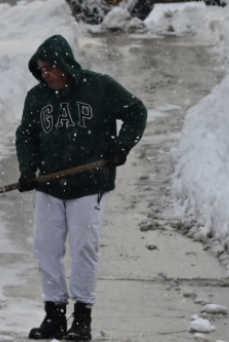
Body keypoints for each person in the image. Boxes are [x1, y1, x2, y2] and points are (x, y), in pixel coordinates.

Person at [15, 34, 147, 341]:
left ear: (65, 65)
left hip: (89, 185)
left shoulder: (99, 87)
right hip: (49, 185)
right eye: (40, 68)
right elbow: (26, 135)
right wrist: (27, 167)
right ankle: (55, 315)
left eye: (49, 67)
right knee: (46, 248)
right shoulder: (37, 97)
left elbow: (136, 111)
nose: (44, 73)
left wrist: (121, 146)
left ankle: (83, 318)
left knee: (84, 247)